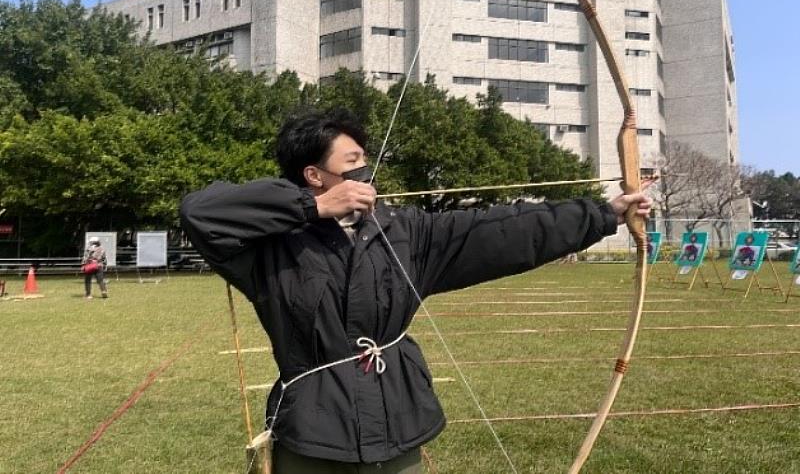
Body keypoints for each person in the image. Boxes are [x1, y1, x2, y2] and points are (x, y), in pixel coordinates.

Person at [180, 110, 653, 473]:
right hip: (311, 429)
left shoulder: (408, 233)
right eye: (354, 164)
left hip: (397, 417)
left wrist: (602, 214)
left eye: (367, 161)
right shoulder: (271, 247)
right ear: (313, 174)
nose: (367, 172)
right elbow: (201, 212)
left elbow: (504, 231)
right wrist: (312, 208)